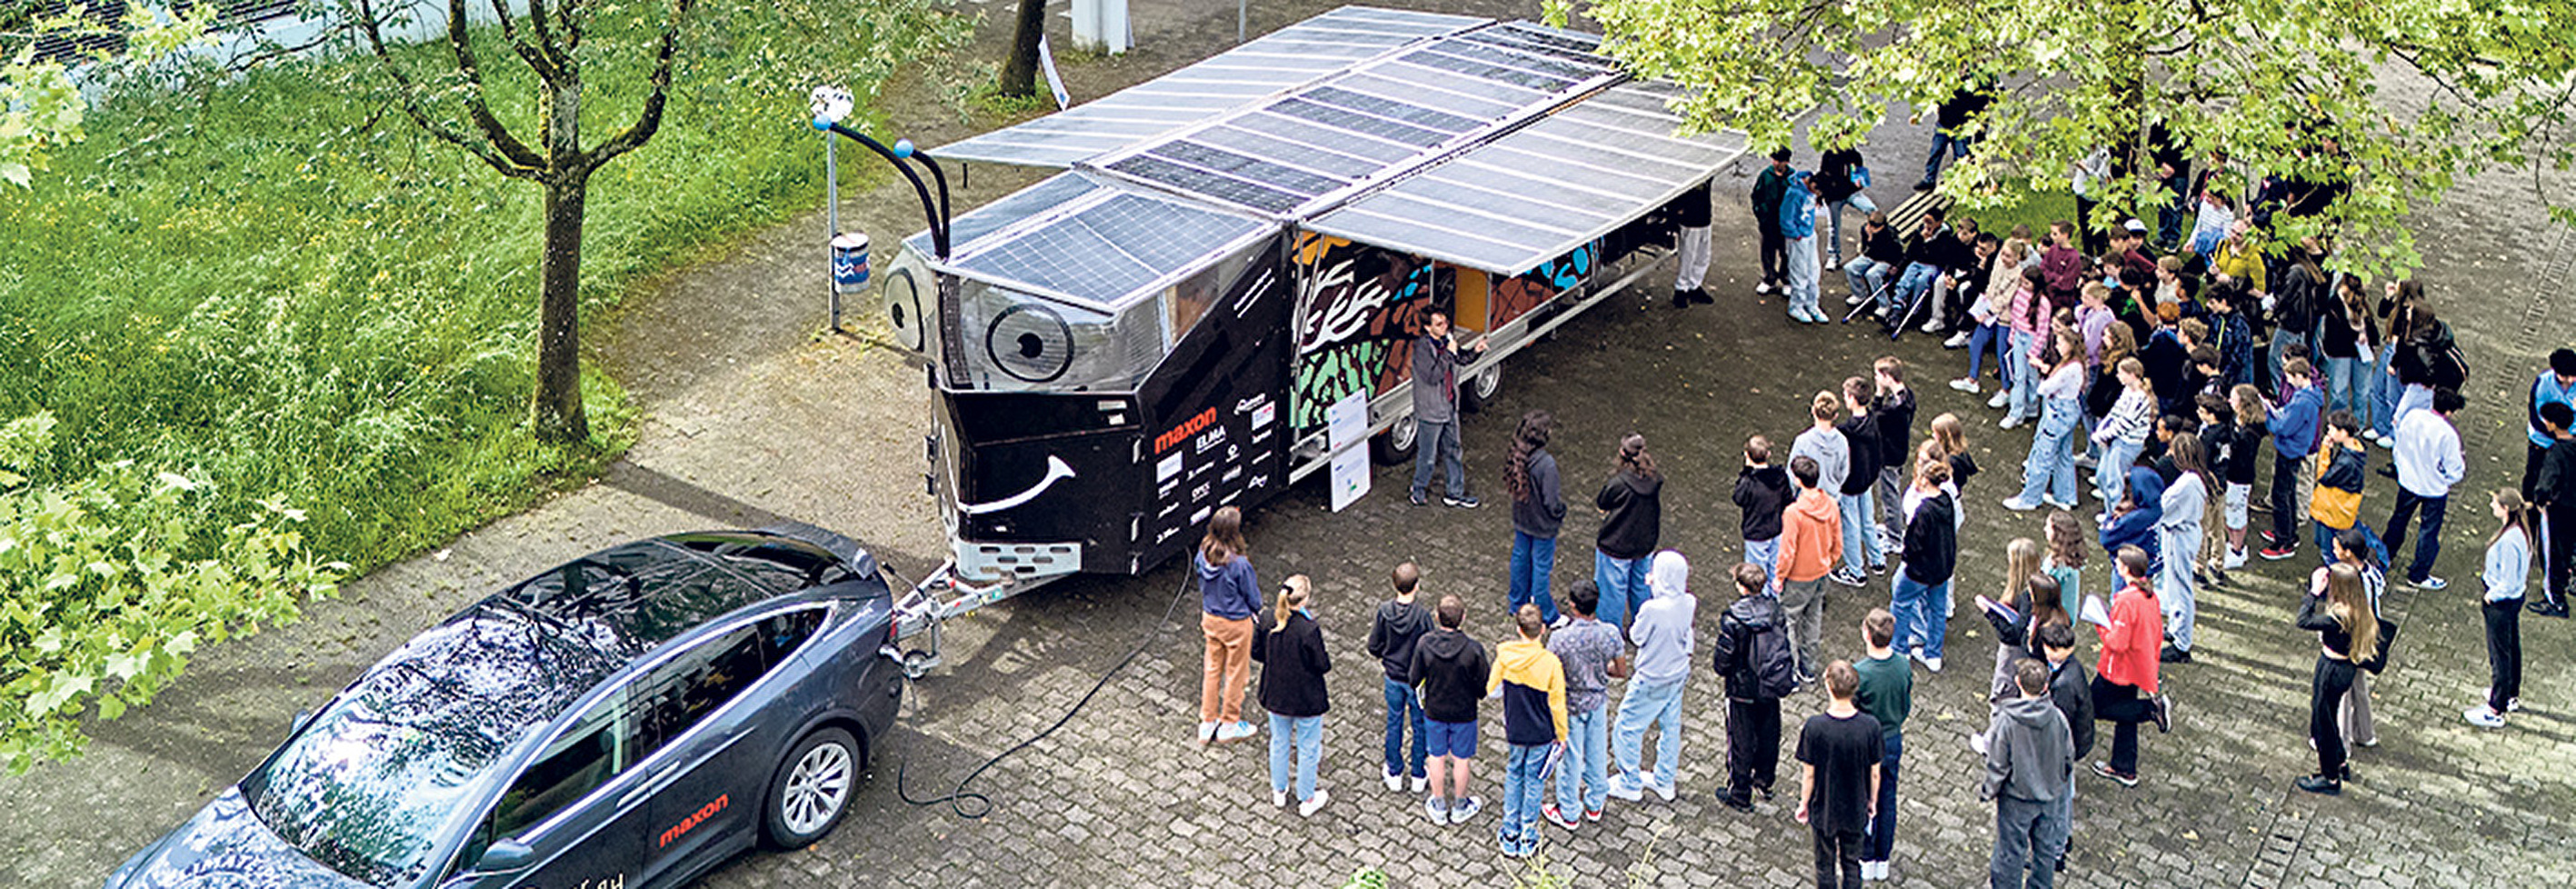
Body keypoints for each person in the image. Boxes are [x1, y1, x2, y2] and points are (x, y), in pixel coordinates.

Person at [1612, 551, 1699, 803]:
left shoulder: (1652, 608)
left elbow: (1637, 636)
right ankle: (1664, 780)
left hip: (1652, 676)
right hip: (1678, 671)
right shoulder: (1688, 602)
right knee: (1670, 726)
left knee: (1627, 726)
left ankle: (1629, 782)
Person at [1984, 659, 2077, 889]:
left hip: (2017, 798)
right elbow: (2068, 756)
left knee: (2011, 851)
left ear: (2018, 682)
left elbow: (1998, 763)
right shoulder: (2058, 718)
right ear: (2046, 686)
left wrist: (1989, 790)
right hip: (2050, 795)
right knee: (2045, 851)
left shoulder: (2006, 721)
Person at [1488, 604, 1568, 857]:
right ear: (1543, 629)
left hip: (1516, 728)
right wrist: (1562, 734)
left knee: (1514, 773)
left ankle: (1509, 830)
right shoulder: (1551, 663)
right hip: (1542, 732)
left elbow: (1491, 689)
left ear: (1518, 628)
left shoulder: (1505, 656)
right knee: (1535, 780)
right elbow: (1558, 703)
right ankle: (1528, 834)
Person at [1543, 581, 1624, 829]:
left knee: (1571, 758)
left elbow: (1550, 675)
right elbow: (1620, 670)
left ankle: (1568, 810)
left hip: (1571, 704)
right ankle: (1595, 803)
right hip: (1597, 700)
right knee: (1598, 753)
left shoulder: (1560, 638)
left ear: (1572, 605)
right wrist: (1600, 669)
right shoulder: (1610, 633)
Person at [1797, 661, 1885, 889]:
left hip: (1824, 807)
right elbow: (1875, 773)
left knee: (1824, 865)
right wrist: (1873, 801)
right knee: (1852, 863)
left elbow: (1809, 775)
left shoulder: (1815, 727)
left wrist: (1804, 803)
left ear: (1828, 686)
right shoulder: (1870, 727)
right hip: (1856, 807)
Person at [2294, 564, 2380, 794]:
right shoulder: (2360, 608)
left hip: (2331, 668)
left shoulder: (2339, 617)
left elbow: (2303, 621)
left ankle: (2330, 777)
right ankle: (2339, 763)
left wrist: (2313, 593)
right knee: (2329, 717)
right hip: (2345, 667)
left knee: (2323, 723)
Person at [1252, 574, 1333, 816]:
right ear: (1305, 599)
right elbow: (1322, 664)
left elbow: (1256, 652)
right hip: (1305, 698)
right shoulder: (1308, 629)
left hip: (1276, 693)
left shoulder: (1267, 619)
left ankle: (1279, 791)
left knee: (1279, 741)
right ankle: (1306, 798)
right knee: (1308, 746)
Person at [2090, 546, 2170, 788]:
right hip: (2135, 667)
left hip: (2118, 668)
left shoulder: (2127, 600)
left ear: (2126, 569)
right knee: (2125, 715)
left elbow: (2117, 642)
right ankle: (2124, 767)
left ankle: (2150, 710)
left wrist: (2099, 624)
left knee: (2094, 707)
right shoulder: (2148, 595)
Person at [1714, 560, 1789, 812]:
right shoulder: (1775, 611)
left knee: (1740, 741)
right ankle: (1765, 781)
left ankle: (1740, 793)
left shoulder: (1733, 618)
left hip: (1741, 689)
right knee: (1769, 735)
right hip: (1770, 684)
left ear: (1741, 586)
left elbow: (1723, 661)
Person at [1411, 594, 1491, 825]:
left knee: (1436, 756)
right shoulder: (1473, 649)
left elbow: (1414, 678)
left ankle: (1437, 803)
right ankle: (1460, 805)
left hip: (1435, 710)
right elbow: (1482, 685)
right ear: (1463, 618)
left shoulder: (1425, 643)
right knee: (1461, 759)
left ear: (1437, 617)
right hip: (1464, 712)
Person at [2384, 388, 2467, 589]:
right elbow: (2455, 469)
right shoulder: (2448, 435)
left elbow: (2399, 443)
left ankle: (2384, 556)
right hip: (2433, 489)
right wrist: (2445, 479)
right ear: (2449, 411)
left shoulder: (2413, 417)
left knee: (2398, 519)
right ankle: (2418, 574)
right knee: (2428, 532)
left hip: (2408, 480)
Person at [1852, 609, 1912, 881]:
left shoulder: (1861, 672)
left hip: (1867, 743)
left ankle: (1865, 856)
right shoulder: (1902, 665)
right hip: (1893, 738)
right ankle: (1882, 858)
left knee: (1864, 799)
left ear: (1866, 633)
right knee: (1888, 799)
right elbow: (1906, 700)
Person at [1196, 506, 1263, 744]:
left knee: (1212, 669)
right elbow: (1253, 598)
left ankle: (1208, 721)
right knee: (1237, 674)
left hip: (1211, 618)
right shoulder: (1239, 564)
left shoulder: (1203, 553)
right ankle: (1229, 723)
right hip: (1236, 623)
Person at [1409, 308, 1488, 507]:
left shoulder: (1446, 341)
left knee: (1453, 450)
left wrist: (1475, 352)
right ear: (1428, 328)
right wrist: (1449, 353)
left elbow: (1461, 359)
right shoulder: (1422, 349)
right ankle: (1418, 489)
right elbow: (1433, 376)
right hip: (1431, 411)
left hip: (1450, 406)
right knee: (1428, 455)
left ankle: (1455, 492)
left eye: (1445, 322)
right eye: (1439, 324)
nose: (1445, 326)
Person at [1367, 563, 1434, 793]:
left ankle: (1394, 771)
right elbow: (1431, 649)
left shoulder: (1384, 611)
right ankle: (1418, 773)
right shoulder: (1423, 616)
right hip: (1416, 681)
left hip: (1393, 677)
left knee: (1394, 722)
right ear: (1417, 586)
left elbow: (1373, 645)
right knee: (1420, 724)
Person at [1775, 454, 1843, 681]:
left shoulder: (1794, 513)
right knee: (1813, 618)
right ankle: (1809, 667)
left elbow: (1787, 550)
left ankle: (1791, 671)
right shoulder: (1831, 504)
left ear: (1797, 479)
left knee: (1788, 621)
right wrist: (1829, 562)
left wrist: (1779, 576)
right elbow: (1838, 541)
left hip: (1797, 576)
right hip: (1821, 572)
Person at [2466, 490, 2530, 728]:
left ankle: (2495, 708)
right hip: (2512, 600)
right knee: (2511, 646)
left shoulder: (2509, 540)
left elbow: (2509, 580)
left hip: (2502, 602)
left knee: (2499, 655)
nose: (2491, 504)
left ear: (2505, 508)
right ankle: (2510, 693)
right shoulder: (2518, 533)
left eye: (2495, 502)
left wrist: (2491, 596)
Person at [2007, 328, 2088, 511]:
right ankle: (2066, 496)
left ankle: (2030, 498)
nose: (2057, 347)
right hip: (2069, 410)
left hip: (2059, 412)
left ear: (2069, 344)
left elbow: (2044, 388)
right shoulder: (2077, 364)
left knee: (2043, 455)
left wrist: (2045, 377)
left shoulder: (2069, 368)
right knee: (2064, 453)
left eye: (2060, 343)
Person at [1892, 456, 1958, 674]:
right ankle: (1933, 654)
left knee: (1901, 603)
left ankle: (1900, 648)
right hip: (1942, 568)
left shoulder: (1924, 511)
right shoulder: (1947, 500)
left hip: (1919, 570)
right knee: (1937, 610)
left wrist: (1907, 559)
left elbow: (1913, 544)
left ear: (1924, 480)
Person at [1593, 435, 1664, 628]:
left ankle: (1611, 632)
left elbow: (1602, 503)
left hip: (1617, 542)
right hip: (1645, 541)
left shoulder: (1618, 484)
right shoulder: (1655, 479)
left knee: (1612, 591)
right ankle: (1642, 628)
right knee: (1641, 587)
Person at [2261, 359, 2327, 560]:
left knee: (2281, 496)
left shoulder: (2301, 402)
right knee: (2289, 493)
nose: (2288, 382)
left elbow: (2282, 427)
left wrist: (2267, 414)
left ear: (2299, 376)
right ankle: (2289, 532)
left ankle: (2283, 541)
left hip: (2289, 450)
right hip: (2297, 450)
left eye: (2290, 377)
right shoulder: (2311, 396)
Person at [1506, 411, 1568, 624]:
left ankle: (1516, 603)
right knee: (1541, 567)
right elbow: (1552, 501)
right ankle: (1546, 613)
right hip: (1542, 524)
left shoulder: (1517, 454)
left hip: (1522, 518)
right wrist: (1561, 512)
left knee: (1520, 558)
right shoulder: (1546, 464)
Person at [2157, 435, 2210, 663]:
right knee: (2174, 584)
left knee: (2180, 588)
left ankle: (2182, 644)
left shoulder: (2187, 484)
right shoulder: (2195, 478)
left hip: (2179, 535)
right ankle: (2176, 627)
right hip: (2184, 532)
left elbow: (2165, 506)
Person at [2292, 411, 2369, 564]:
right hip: (2336, 510)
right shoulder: (2355, 452)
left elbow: (2323, 477)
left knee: (2328, 549)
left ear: (2343, 433)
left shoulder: (2347, 462)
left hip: (2332, 511)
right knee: (2324, 542)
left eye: (2332, 429)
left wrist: (2325, 450)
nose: (2328, 432)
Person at [1836, 377, 1888, 585]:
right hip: (1867, 479)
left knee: (1850, 526)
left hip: (1850, 483)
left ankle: (1855, 570)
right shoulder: (1873, 418)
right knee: (1868, 520)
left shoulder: (1846, 430)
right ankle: (1877, 560)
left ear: (1851, 398)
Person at [2091, 358, 2155, 511]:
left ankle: (2113, 515)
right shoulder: (2127, 390)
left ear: (2132, 375)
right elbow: (2115, 412)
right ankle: (2109, 508)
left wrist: (2101, 435)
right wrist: (2102, 429)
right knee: (2102, 476)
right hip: (2115, 439)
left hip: (2128, 444)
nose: (2118, 376)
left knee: (2114, 481)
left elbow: (2125, 424)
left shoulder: (2140, 399)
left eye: (2121, 373)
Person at [1983, 539, 2045, 699]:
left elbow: (2012, 634)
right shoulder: (2042, 582)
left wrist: (1990, 612)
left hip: (2014, 651)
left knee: (2003, 688)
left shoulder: (2025, 596)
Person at [2531, 402, 2576, 617]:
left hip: (2559, 509)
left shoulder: (2556, 453)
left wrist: (2540, 501)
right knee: (2568, 550)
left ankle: (2555, 600)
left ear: (2552, 424)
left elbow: (2545, 485)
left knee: (2552, 554)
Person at [1874, 357, 1920, 552]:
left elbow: (1875, 418)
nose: (1875, 378)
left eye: (1878, 375)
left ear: (1886, 377)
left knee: (1889, 495)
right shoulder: (1907, 396)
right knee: (1891, 491)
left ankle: (1894, 538)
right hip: (1899, 451)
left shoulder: (1894, 409)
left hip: (1889, 456)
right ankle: (1894, 527)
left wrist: (1878, 394)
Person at [1736, 435, 1793, 585]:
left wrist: (1746, 471)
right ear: (1768, 454)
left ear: (1747, 455)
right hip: (1776, 527)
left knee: (1756, 569)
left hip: (1756, 531)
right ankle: (1774, 594)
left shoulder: (1748, 482)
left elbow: (1738, 498)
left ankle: (1759, 598)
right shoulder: (1780, 476)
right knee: (1774, 565)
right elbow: (1788, 499)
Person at [2521, 348, 2576, 501]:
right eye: (2566, 376)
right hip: (2543, 440)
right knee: (2534, 474)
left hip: (2570, 440)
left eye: (2574, 375)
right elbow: (2535, 415)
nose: (2571, 380)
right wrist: (2557, 435)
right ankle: (2528, 506)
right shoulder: (2543, 383)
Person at [1817, 143, 1878, 270]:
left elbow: (1859, 171)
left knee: (1872, 211)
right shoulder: (1829, 155)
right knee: (1834, 227)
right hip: (1834, 196)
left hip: (1850, 192)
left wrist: (1860, 181)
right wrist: (1820, 196)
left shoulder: (1854, 154)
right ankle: (1833, 257)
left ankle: (1871, 246)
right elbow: (1823, 175)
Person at [1917, 85, 1990, 190]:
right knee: (1936, 152)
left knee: (1961, 157)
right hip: (1944, 123)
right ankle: (1930, 180)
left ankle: (1958, 184)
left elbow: (1981, 103)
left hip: (1961, 127)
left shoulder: (1971, 84)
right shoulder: (1947, 78)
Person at [1842, 211, 1905, 321]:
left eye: (1875, 226)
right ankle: (1859, 293)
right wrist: (1869, 238)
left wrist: (1872, 238)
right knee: (1850, 268)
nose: (1871, 228)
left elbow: (1894, 253)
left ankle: (1884, 304)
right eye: (1870, 224)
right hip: (1870, 256)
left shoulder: (1889, 235)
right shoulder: (1865, 229)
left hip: (1886, 260)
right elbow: (1866, 248)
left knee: (1872, 274)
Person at [1782, 168, 1826, 322]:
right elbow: (1786, 217)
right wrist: (1796, 235)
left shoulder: (1810, 192)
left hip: (1809, 233)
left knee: (1814, 271)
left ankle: (1812, 304)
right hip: (1799, 237)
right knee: (1800, 272)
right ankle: (1797, 306)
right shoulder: (1794, 193)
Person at [1753, 148, 1795, 295]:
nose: (1776, 163)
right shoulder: (1766, 176)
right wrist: (1761, 214)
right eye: (1775, 160)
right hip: (1768, 222)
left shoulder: (1792, 178)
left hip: (1785, 224)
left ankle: (1786, 279)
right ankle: (1769, 278)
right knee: (1767, 252)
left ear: (1786, 162)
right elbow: (1756, 196)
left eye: (1780, 161)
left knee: (1786, 253)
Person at [1671, 181, 1715, 306]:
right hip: (1689, 218)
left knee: (1703, 255)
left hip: (1705, 216)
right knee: (1687, 255)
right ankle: (1681, 289)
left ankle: (1694, 286)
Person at [2043, 511, 2087, 621]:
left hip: (2056, 619)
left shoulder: (2058, 567)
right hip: (2066, 615)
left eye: (2048, 527)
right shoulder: (2070, 558)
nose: (2045, 529)